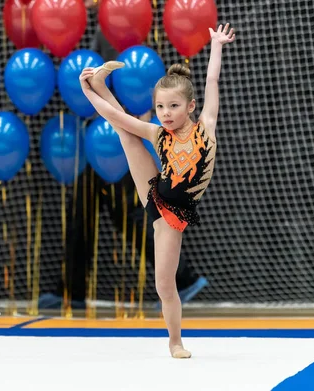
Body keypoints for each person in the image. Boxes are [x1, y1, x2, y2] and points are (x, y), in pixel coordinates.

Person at [79, 23, 236, 358]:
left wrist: (217, 45)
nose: (166, 113)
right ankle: (98, 83)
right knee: (124, 132)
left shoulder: (205, 128)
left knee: (165, 284)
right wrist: (88, 94)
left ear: (191, 107)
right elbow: (114, 117)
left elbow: (211, 82)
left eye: (174, 107)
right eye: (161, 107)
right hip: (156, 197)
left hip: (172, 216)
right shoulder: (157, 133)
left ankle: (175, 340)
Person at [37, 166, 209, 311]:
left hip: (112, 142)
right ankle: (71, 291)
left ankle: (181, 279)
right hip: (90, 141)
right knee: (80, 215)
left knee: (127, 215)